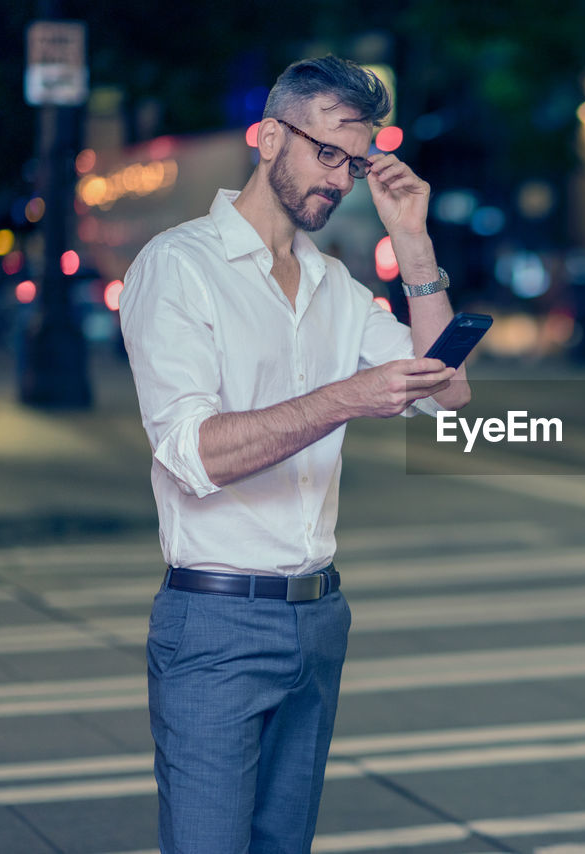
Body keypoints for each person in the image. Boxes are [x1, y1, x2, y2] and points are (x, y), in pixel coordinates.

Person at [119, 55, 470, 853]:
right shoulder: (181, 268)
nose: (342, 178)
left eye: (358, 160)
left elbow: (446, 388)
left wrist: (412, 241)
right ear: (271, 136)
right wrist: (347, 397)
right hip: (214, 621)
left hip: (317, 620)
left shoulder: (332, 287)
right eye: (329, 153)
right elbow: (192, 453)